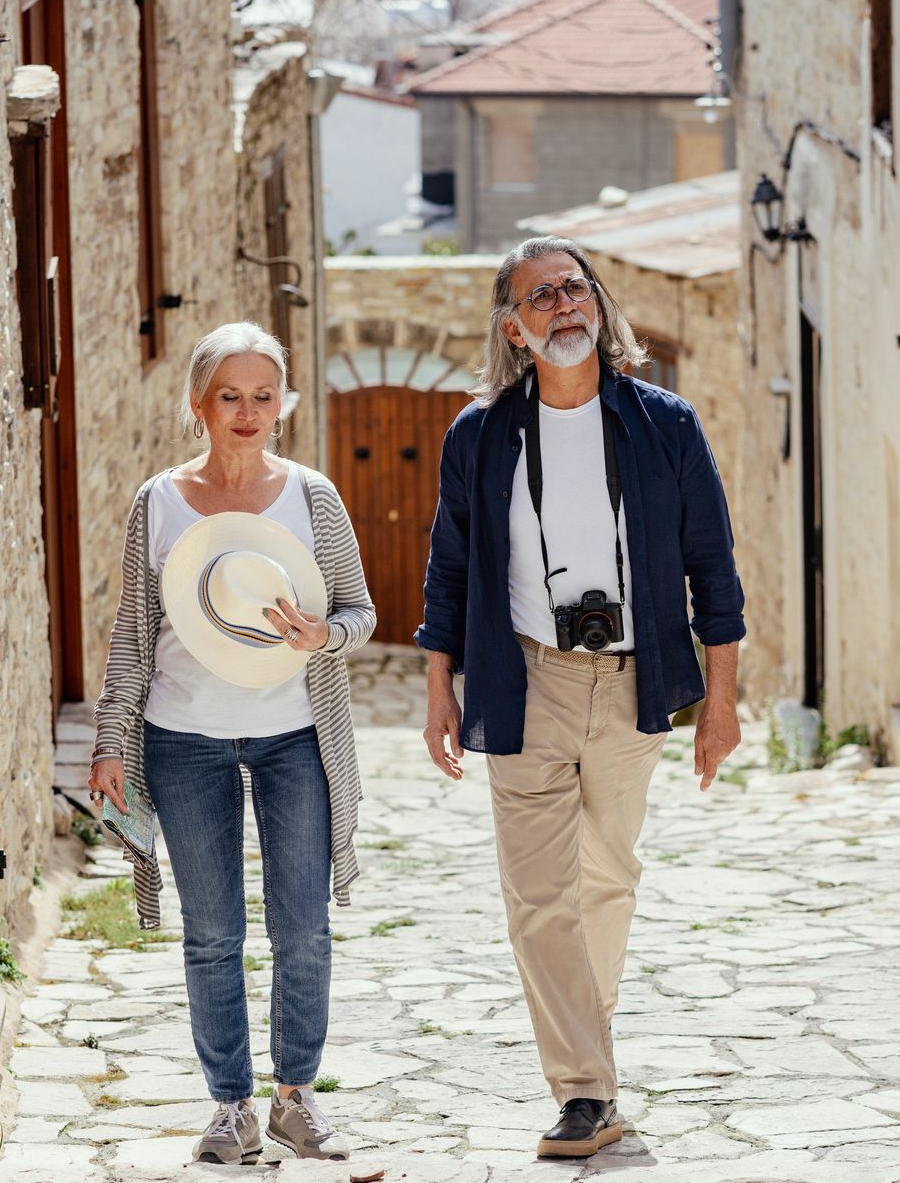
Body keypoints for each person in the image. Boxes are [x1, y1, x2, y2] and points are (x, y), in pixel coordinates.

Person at [415, 237, 746, 1158]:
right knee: (537, 894)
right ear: (515, 329)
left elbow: (712, 571)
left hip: (635, 679)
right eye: (542, 296)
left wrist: (720, 704)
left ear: (597, 307)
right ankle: (585, 1090)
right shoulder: (479, 436)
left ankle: (585, 1054)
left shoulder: (664, 424)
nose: (565, 305)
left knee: (607, 877)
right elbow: (448, 570)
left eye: (576, 288)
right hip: (527, 678)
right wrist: (440, 689)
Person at [89, 321, 374, 1165]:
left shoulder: (313, 497)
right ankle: (229, 1109)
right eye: (229, 397)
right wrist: (111, 741)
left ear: (280, 405)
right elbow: (132, 635)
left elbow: (360, 616)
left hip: (295, 738)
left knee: (303, 927)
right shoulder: (160, 502)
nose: (247, 413)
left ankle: (294, 1097)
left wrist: (321, 636)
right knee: (211, 933)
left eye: (262, 396)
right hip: (183, 740)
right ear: (198, 405)